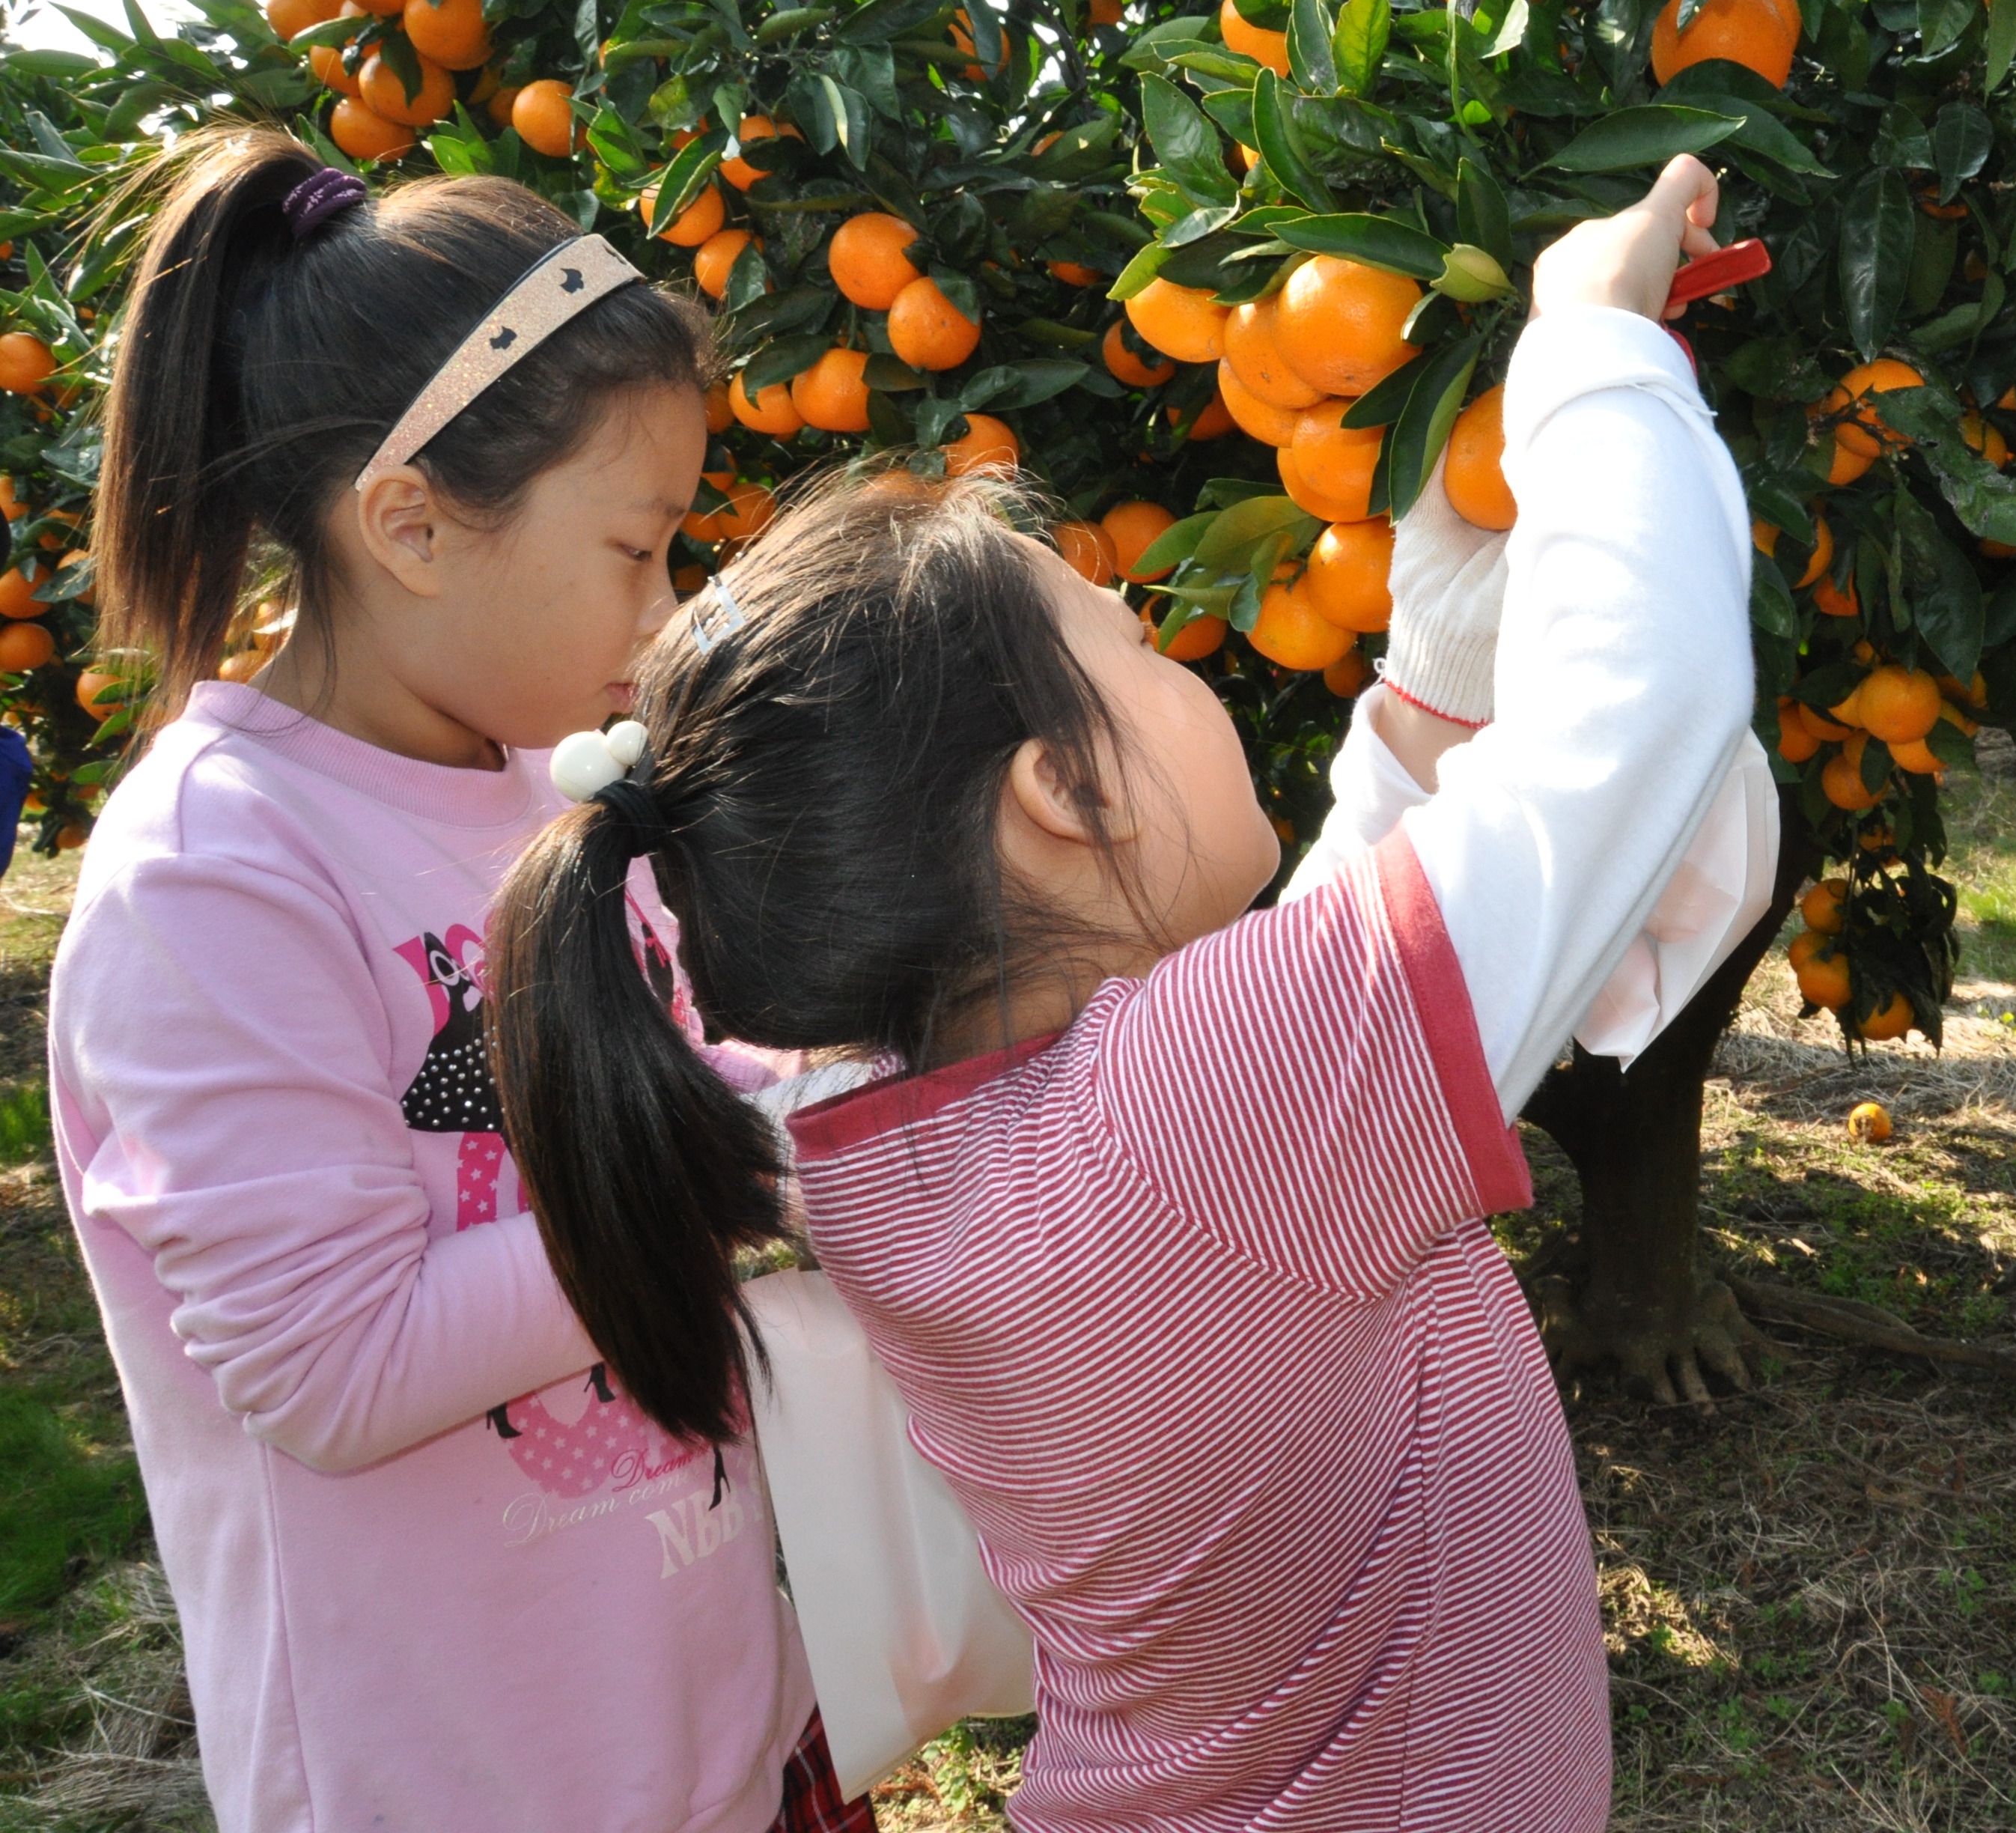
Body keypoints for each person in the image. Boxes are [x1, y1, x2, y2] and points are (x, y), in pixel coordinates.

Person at [483, 155, 1776, 1832]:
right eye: (1141, 649)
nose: (1186, 656)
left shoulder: (892, 1147)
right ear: (1062, 797)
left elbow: (1251, 1070)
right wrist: (1586, 353)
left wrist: (1437, 670)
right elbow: (1641, 717)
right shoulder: (1210, 1116)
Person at [46, 133, 846, 1833]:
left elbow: (689, 1071)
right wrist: (735, 1155)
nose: (670, 602)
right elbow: (333, 1364)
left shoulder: (538, 785)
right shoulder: (215, 868)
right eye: (638, 546)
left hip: (709, 1728)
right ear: (411, 522)